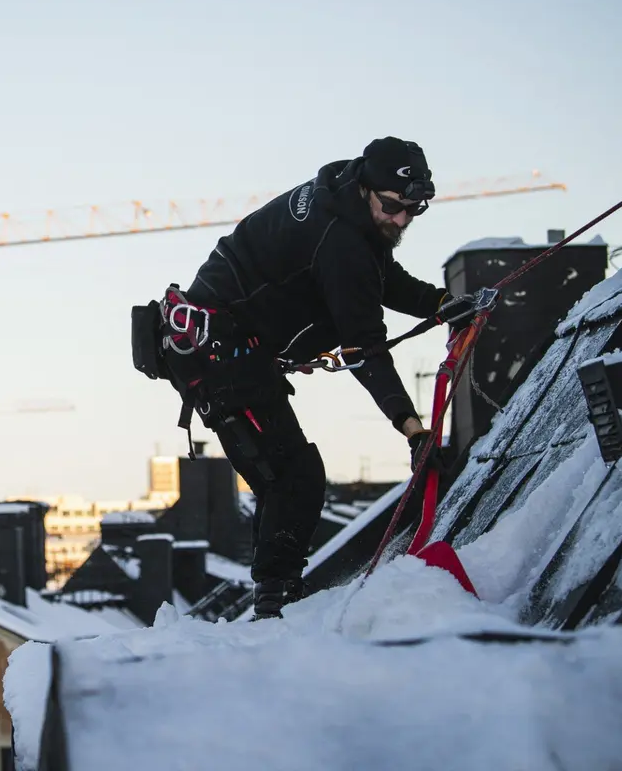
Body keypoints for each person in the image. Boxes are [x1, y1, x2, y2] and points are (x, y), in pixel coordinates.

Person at [136, 136, 479, 620]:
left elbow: (382, 281)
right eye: (393, 207)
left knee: (284, 475)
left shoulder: (346, 207)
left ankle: (273, 600)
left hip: (230, 349)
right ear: (366, 188)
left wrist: (442, 305)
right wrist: (412, 427)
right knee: (293, 477)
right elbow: (365, 348)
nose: (401, 220)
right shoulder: (340, 242)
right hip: (216, 356)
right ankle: (275, 609)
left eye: (414, 211)